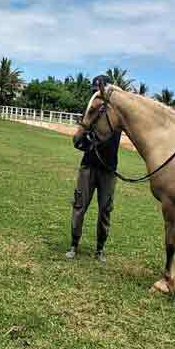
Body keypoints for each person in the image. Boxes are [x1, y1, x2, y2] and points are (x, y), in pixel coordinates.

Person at [67, 74, 122, 262]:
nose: (96, 97)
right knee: (79, 204)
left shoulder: (116, 116)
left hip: (108, 169)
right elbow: (78, 140)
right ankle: (73, 245)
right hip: (88, 166)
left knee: (105, 210)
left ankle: (100, 249)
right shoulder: (92, 112)